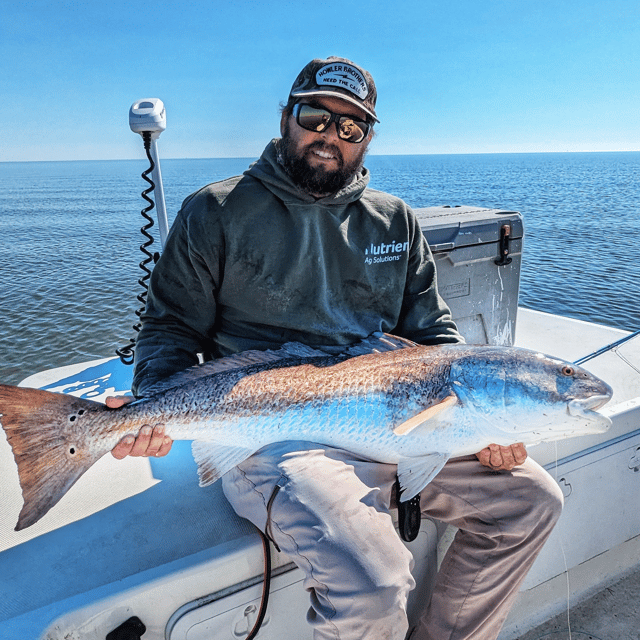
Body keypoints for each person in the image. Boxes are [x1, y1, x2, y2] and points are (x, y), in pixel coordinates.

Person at [107, 56, 563, 640]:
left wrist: (486, 423)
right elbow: (169, 328)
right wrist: (155, 402)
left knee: (532, 503)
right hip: (272, 431)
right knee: (374, 581)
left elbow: (435, 337)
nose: (330, 137)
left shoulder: (394, 221)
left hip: (400, 418)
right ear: (285, 117)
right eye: (316, 116)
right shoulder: (216, 211)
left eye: (352, 128)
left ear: (368, 139)